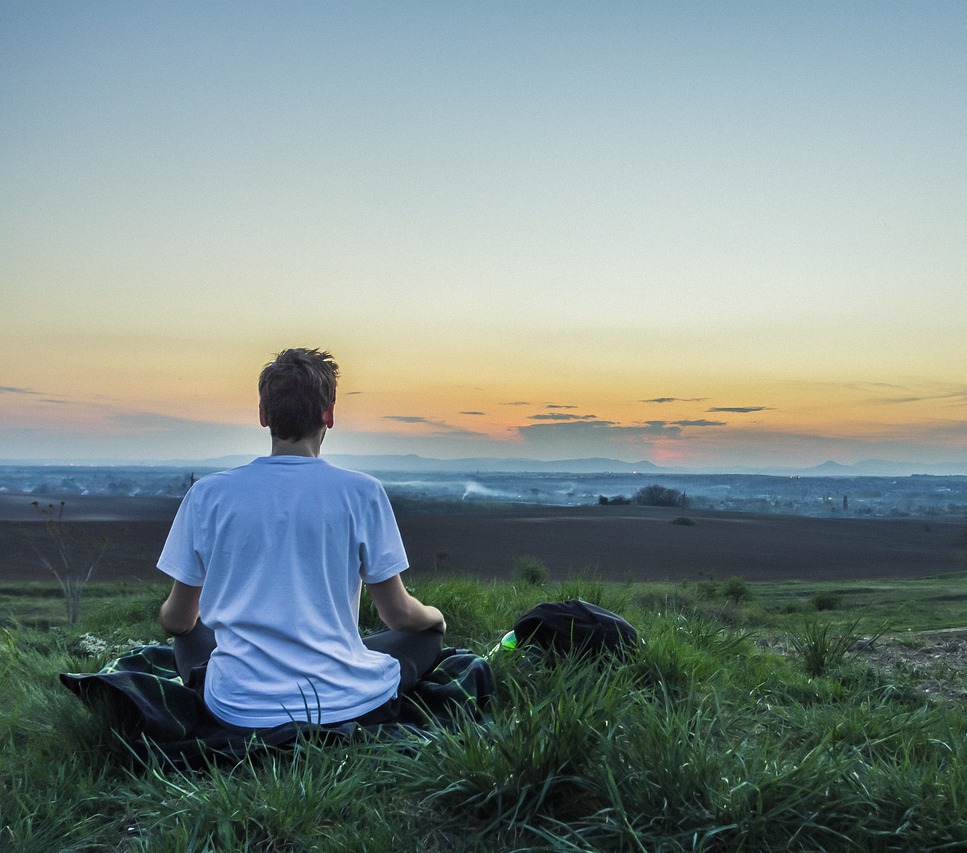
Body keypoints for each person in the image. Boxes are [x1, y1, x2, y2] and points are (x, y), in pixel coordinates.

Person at [157, 348, 446, 731]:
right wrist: (435, 618)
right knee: (424, 639)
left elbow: (177, 621)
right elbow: (397, 615)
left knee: (189, 633)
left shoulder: (208, 495)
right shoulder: (362, 492)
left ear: (263, 415)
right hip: (342, 702)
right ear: (328, 415)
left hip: (237, 707)